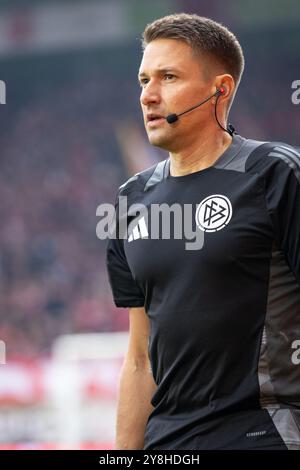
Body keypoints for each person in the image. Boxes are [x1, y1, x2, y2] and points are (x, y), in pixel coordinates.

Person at [106, 13, 300, 450]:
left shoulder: (275, 174)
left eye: (168, 77)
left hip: (263, 434)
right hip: (166, 445)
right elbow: (139, 360)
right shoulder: (130, 200)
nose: (148, 96)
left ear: (221, 89)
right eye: (143, 80)